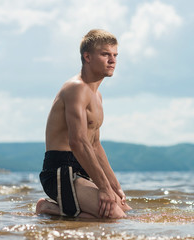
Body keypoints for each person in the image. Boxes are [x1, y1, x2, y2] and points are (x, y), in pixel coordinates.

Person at [36, 29, 131, 219]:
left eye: (115, 55)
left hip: (84, 169)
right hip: (61, 171)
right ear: (87, 56)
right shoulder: (76, 88)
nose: (112, 60)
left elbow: (95, 145)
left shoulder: (97, 95)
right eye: (105, 54)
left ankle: (52, 210)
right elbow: (78, 142)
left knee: (127, 211)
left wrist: (114, 186)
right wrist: (103, 188)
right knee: (115, 217)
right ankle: (48, 208)